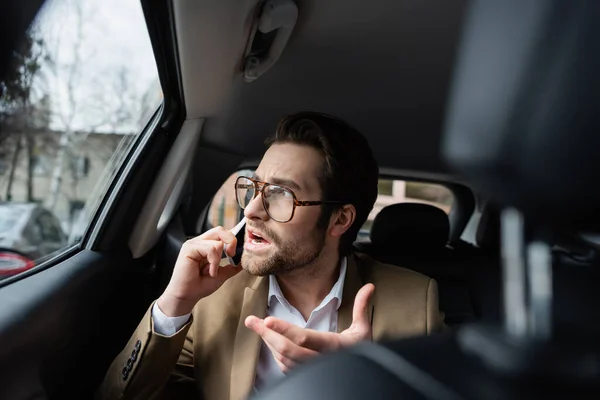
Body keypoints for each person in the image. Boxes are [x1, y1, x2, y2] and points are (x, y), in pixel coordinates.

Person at [97, 112, 445, 400]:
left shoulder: (415, 304)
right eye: (254, 187)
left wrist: (358, 380)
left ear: (340, 219)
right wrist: (174, 303)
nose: (251, 211)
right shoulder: (213, 295)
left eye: (280, 194)